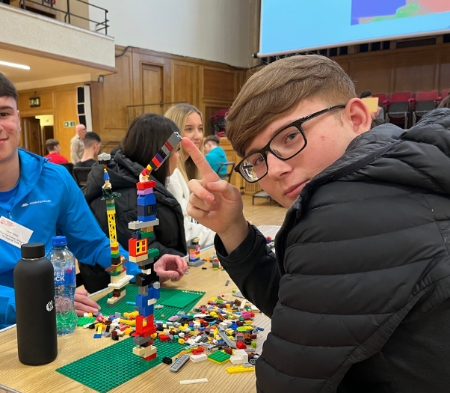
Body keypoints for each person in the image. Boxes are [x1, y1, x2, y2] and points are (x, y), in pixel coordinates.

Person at [0, 67, 187, 393]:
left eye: (3, 113)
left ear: (16, 115)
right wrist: (41, 303)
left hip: (53, 321)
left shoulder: (53, 179)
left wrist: (140, 266)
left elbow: (93, 245)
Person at [183, 55, 450, 392]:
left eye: (290, 137)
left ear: (355, 117)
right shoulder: (410, 173)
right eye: (258, 160)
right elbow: (313, 312)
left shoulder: (347, 211)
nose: (276, 169)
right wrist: (232, 228)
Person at [80, 114, 187, 293]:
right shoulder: (128, 198)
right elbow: (142, 249)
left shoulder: (139, 184)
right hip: (127, 290)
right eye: (175, 151)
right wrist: (177, 258)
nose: (178, 157)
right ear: (158, 156)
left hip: (151, 280)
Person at [165, 105, 215, 248]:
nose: (198, 136)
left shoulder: (191, 169)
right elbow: (184, 232)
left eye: (200, 129)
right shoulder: (171, 176)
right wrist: (227, 233)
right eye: (189, 129)